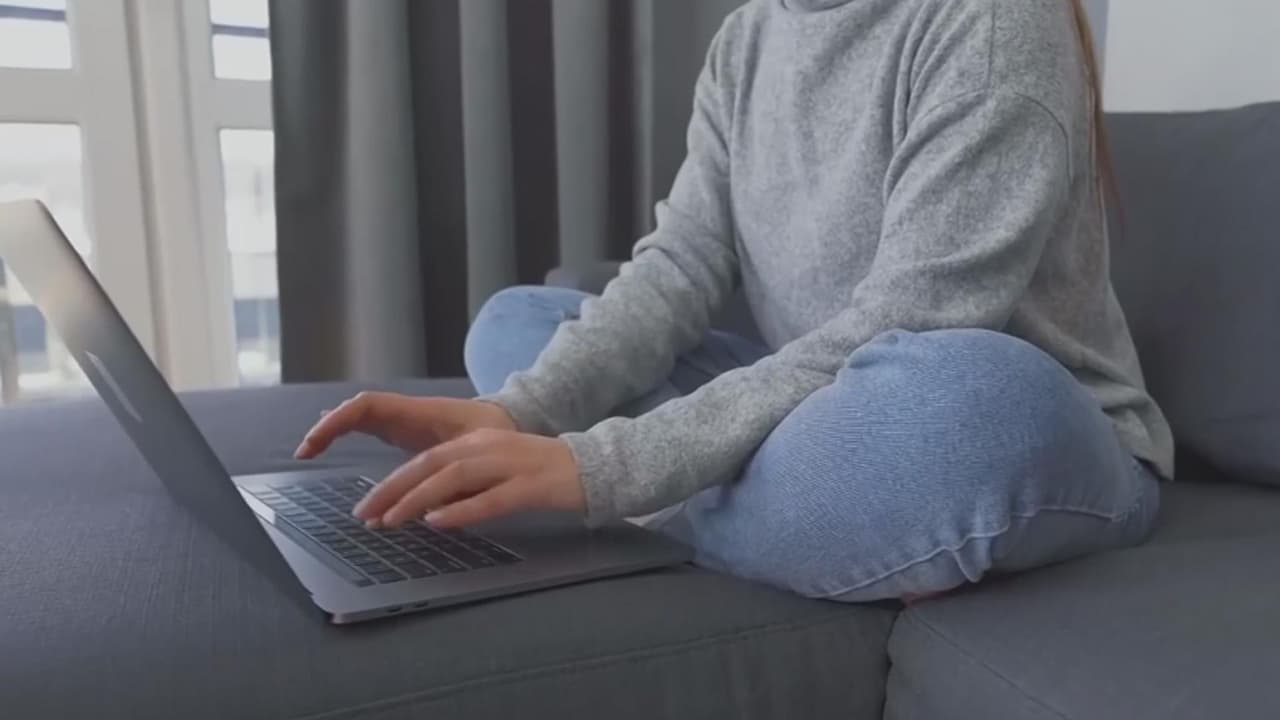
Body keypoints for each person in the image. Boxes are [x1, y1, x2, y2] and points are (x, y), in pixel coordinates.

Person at [295, 0, 1174, 602]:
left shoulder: (992, 23)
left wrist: (599, 468)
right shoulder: (747, 37)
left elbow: (913, 322)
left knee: (969, 401)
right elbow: (678, 268)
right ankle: (808, 523)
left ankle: (662, 504)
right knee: (515, 325)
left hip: (1006, 423)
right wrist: (514, 414)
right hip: (821, 401)